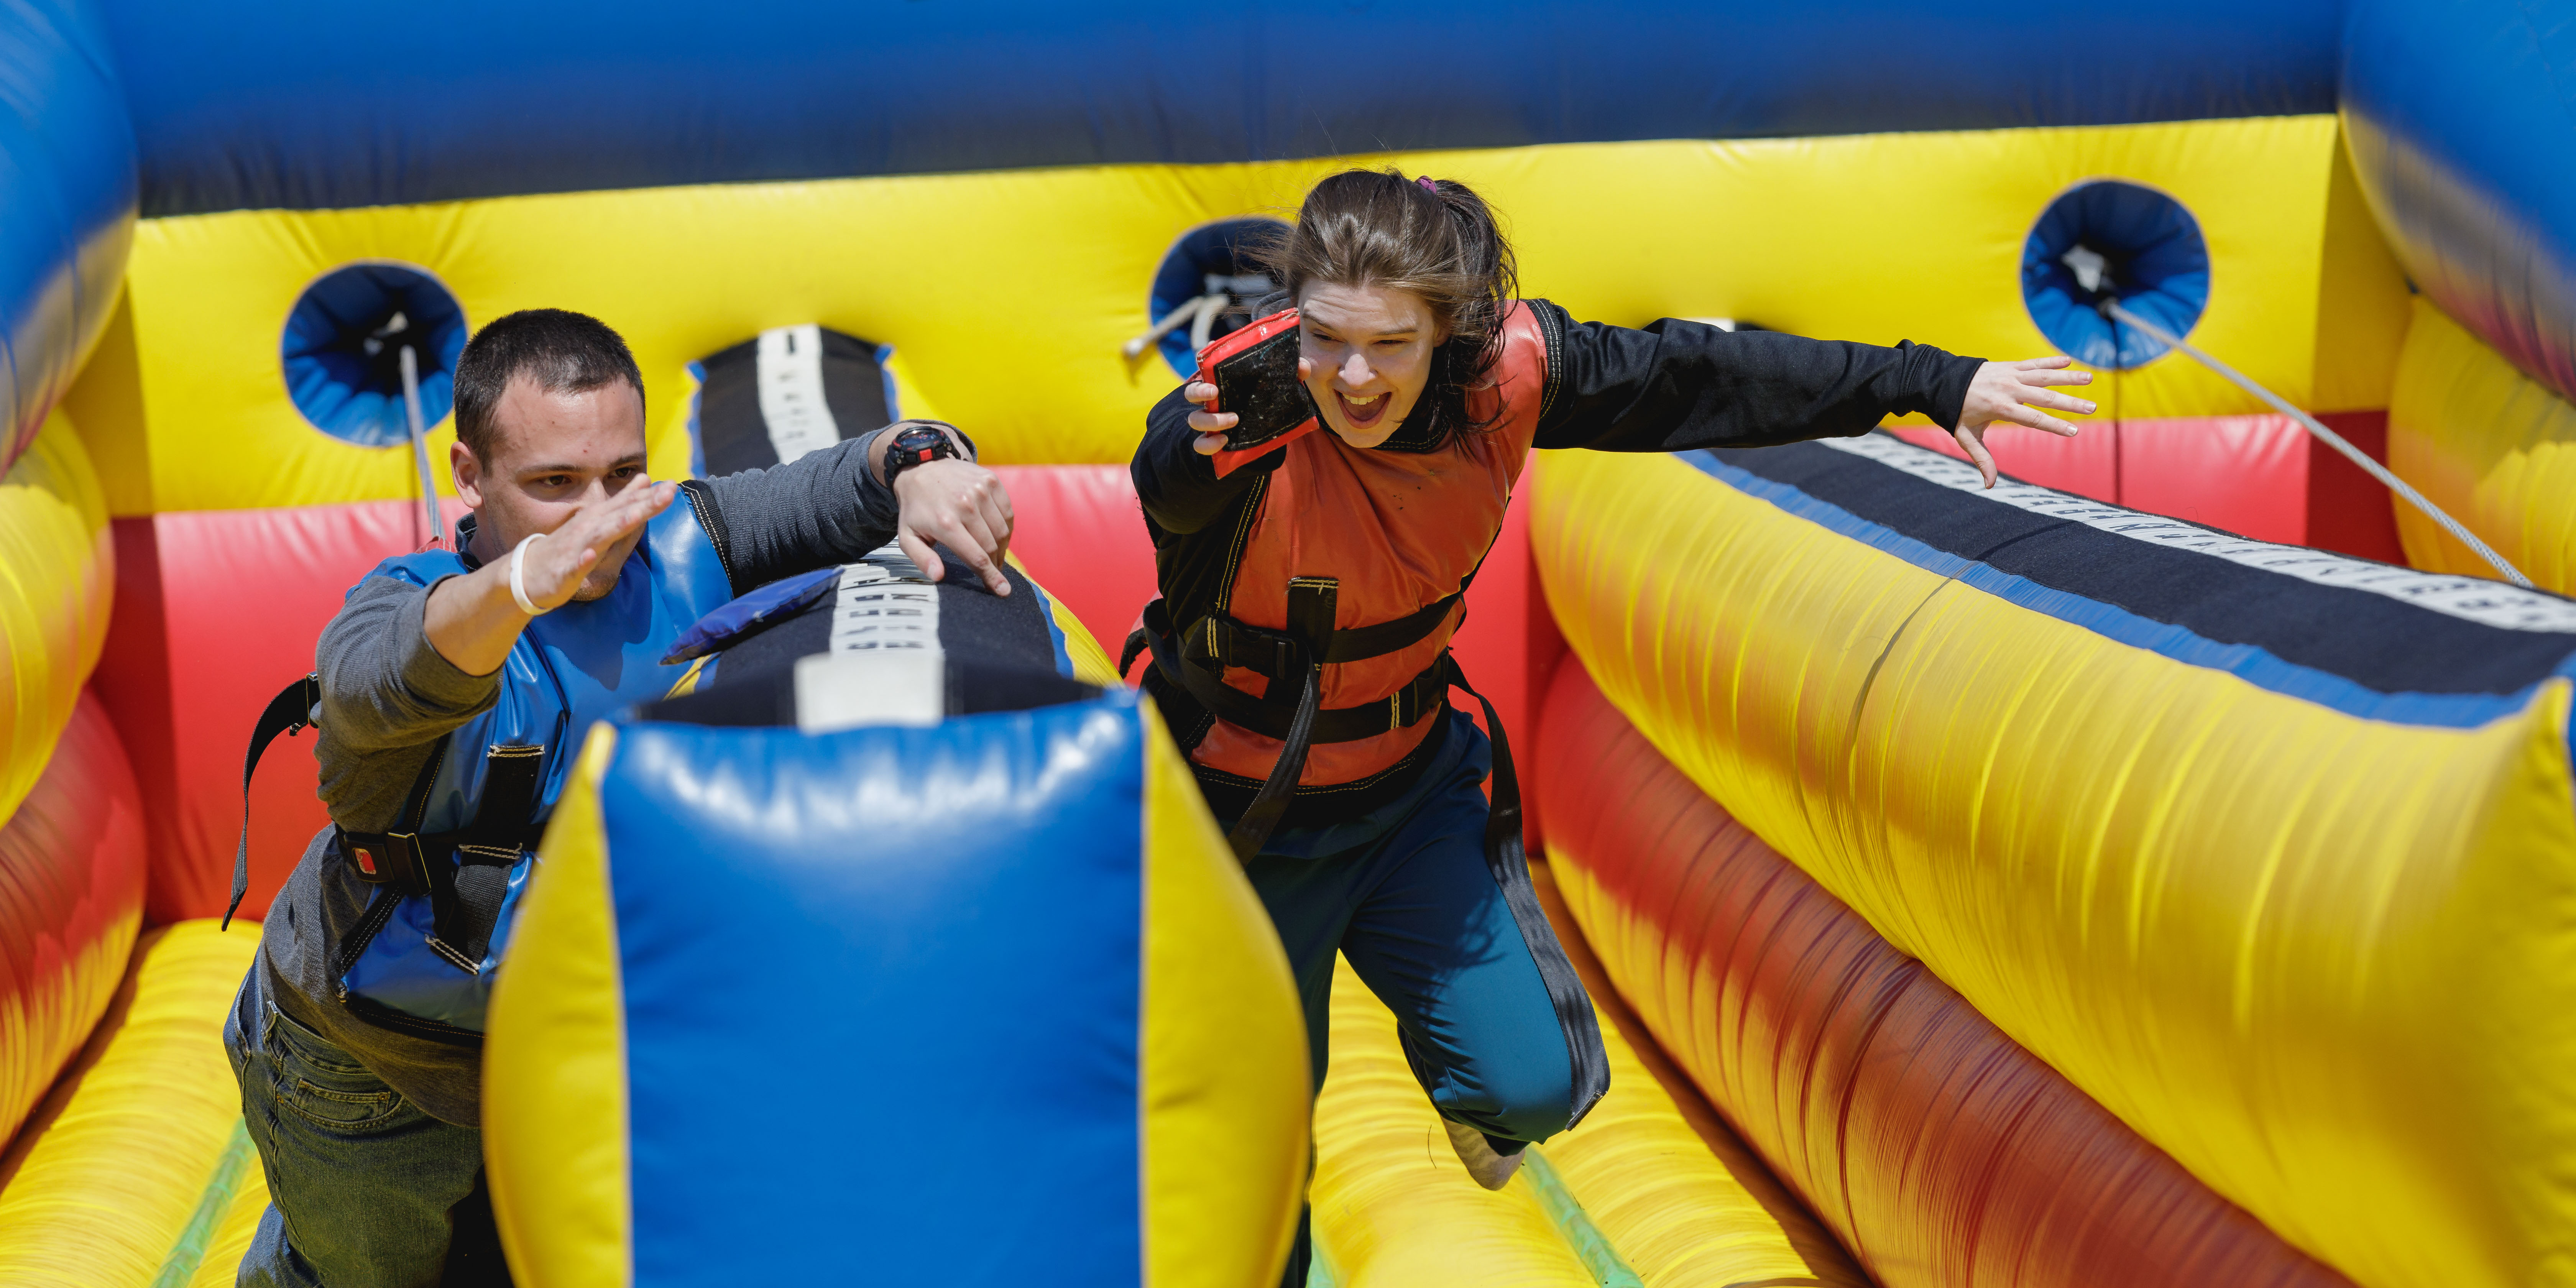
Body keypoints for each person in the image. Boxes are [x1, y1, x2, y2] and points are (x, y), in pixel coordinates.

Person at [1127, 169, 2094, 1282]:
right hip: (1237, 820)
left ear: (1449, 331)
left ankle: (1481, 1095)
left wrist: (1935, 380)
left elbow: (1704, 375)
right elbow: (1167, 489)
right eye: (1327, 339)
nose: (1352, 376)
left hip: (1405, 797)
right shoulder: (1233, 420)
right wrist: (1184, 451)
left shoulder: (1511, 378)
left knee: (1533, 1083)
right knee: (1246, 1156)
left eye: (1390, 344)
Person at [221, 308, 1014, 1287]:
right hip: (372, 1070)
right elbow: (378, 675)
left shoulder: (680, 538)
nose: (596, 516)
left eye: (619, 476)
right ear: (469, 475)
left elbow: (855, 472)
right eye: (553, 484)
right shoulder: (404, 607)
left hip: (565, 1051)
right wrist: (521, 583)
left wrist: (931, 461)